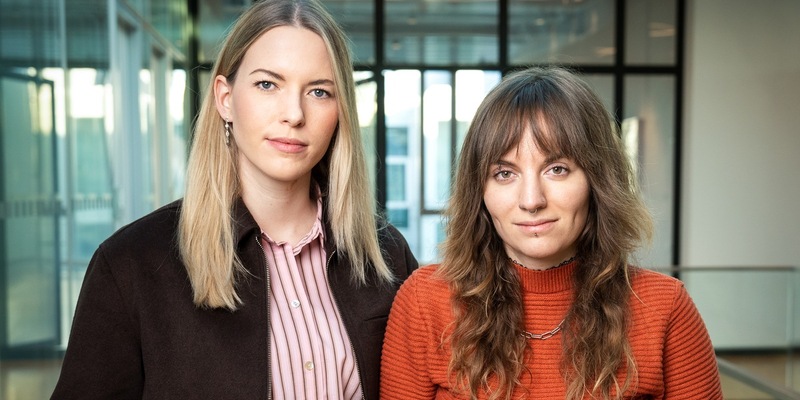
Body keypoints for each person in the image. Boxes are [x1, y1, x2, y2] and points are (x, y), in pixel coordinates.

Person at [51, 0, 417, 399]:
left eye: (318, 91)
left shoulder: (387, 255)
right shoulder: (130, 265)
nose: (293, 113)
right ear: (225, 98)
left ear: (341, 110)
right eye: (267, 84)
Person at [380, 67, 722, 400]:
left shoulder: (665, 308)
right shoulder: (425, 303)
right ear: (479, 190)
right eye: (504, 173)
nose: (532, 200)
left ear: (597, 181)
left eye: (557, 170)